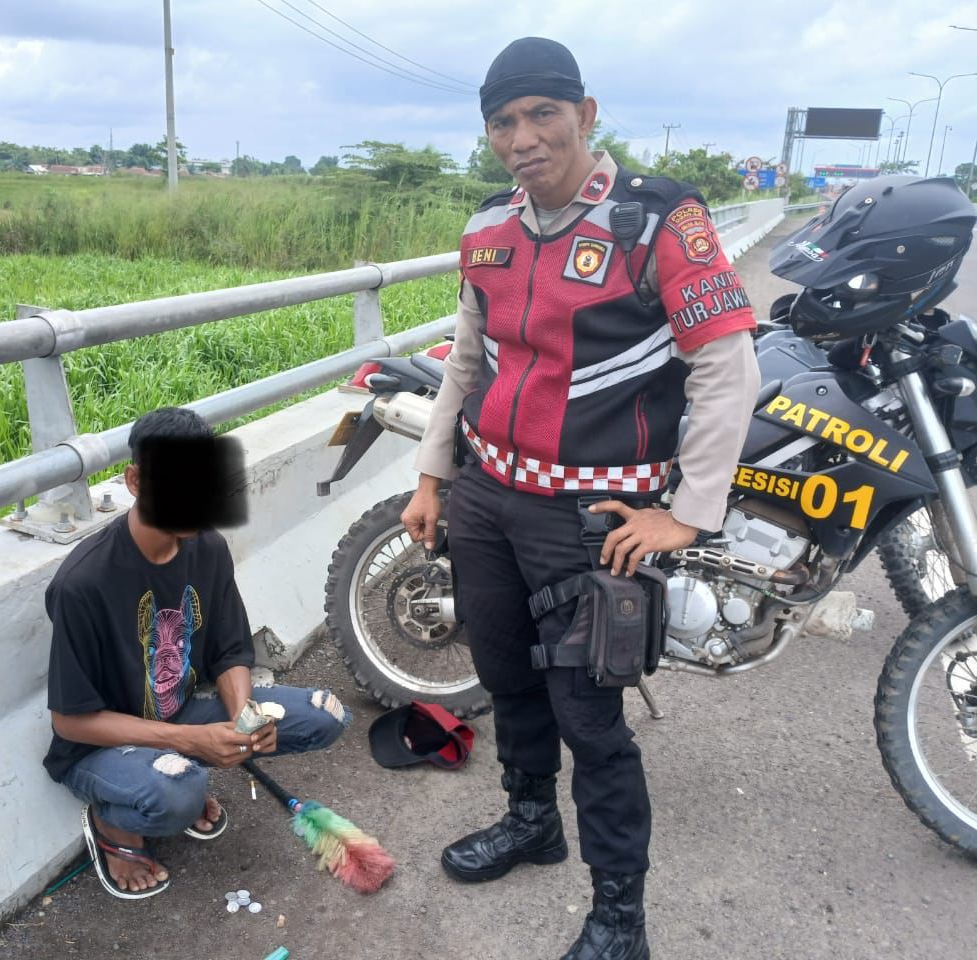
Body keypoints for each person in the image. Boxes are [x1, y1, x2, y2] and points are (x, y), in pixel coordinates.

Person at [401, 37, 761, 960]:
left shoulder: (658, 220)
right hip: (488, 497)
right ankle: (531, 821)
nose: (524, 139)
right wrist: (433, 478)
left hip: (590, 522)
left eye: (542, 116)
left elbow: (726, 366)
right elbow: (467, 364)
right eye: (504, 123)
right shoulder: (489, 228)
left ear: (586, 116)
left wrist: (687, 511)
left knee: (590, 720)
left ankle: (619, 918)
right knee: (508, 678)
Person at [42, 407, 351, 900]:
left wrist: (244, 719)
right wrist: (190, 740)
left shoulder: (207, 547)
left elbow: (230, 651)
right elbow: (70, 723)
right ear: (135, 481)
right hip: (102, 745)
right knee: (177, 796)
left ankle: (180, 770)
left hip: (181, 709)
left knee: (324, 715)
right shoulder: (83, 584)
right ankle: (113, 825)